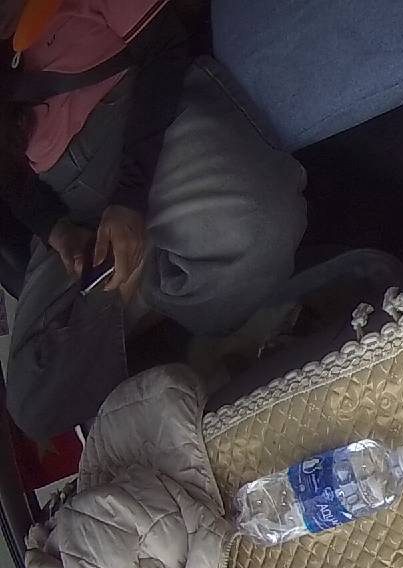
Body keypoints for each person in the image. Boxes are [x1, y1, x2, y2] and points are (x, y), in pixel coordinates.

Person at [0, 0, 307, 440]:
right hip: (66, 199)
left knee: (262, 229)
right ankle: (146, 283)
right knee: (31, 405)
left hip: (140, 127)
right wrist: (56, 230)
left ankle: (165, 306)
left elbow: (165, 47)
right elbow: (10, 176)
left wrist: (129, 200)